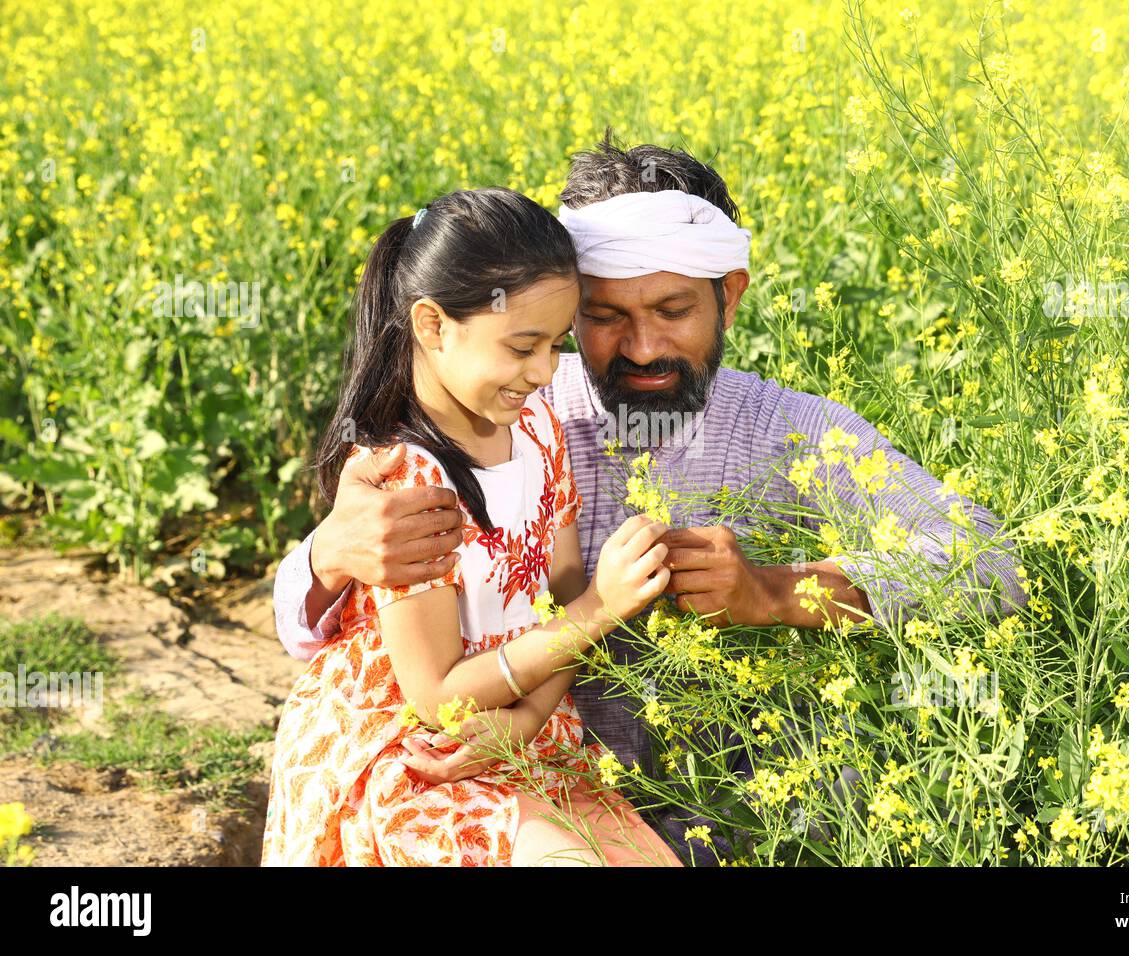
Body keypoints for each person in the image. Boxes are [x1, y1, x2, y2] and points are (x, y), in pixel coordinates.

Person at [273, 134, 1028, 864]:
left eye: (671, 312)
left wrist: (775, 593)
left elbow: (991, 566)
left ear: (728, 297)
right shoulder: (514, 412)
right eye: (603, 318)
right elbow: (329, 637)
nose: (639, 348)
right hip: (517, 800)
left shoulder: (795, 431)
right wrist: (329, 557)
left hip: (759, 828)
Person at [261, 187, 681, 866]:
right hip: (419, 753)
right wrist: (604, 608)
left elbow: (563, 588)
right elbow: (436, 696)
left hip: (528, 723)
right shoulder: (407, 480)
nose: (545, 372)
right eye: (523, 347)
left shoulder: (538, 427)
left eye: (555, 345)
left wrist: (526, 720)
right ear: (433, 326)